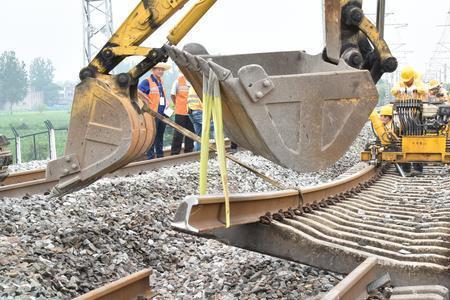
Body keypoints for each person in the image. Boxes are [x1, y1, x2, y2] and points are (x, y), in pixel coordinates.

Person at [138, 62, 171, 159]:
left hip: (162, 113)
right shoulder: (147, 81)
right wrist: (146, 100)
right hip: (152, 114)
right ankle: (151, 157)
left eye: (162, 70)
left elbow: (161, 96)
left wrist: (166, 103)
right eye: (159, 69)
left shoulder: (161, 82)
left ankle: (160, 155)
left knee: (160, 135)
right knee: (152, 137)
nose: (161, 71)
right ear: (153, 70)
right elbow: (138, 92)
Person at [170, 74, 195, 155]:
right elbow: (172, 94)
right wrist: (177, 104)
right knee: (178, 133)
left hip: (191, 111)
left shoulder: (193, 80)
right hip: (180, 111)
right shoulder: (177, 81)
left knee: (191, 132)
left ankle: (189, 151)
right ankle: (175, 152)